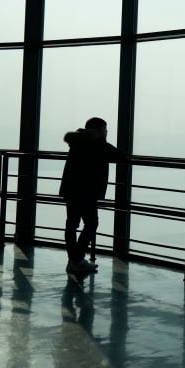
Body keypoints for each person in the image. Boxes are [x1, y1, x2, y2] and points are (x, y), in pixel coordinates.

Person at [59, 117, 127, 273]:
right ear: (98, 130)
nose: (106, 132)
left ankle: (74, 260)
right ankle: (77, 259)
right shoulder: (97, 144)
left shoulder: (77, 141)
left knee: (72, 224)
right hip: (86, 192)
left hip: (71, 190)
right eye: (105, 128)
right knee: (91, 224)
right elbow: (120, 155)